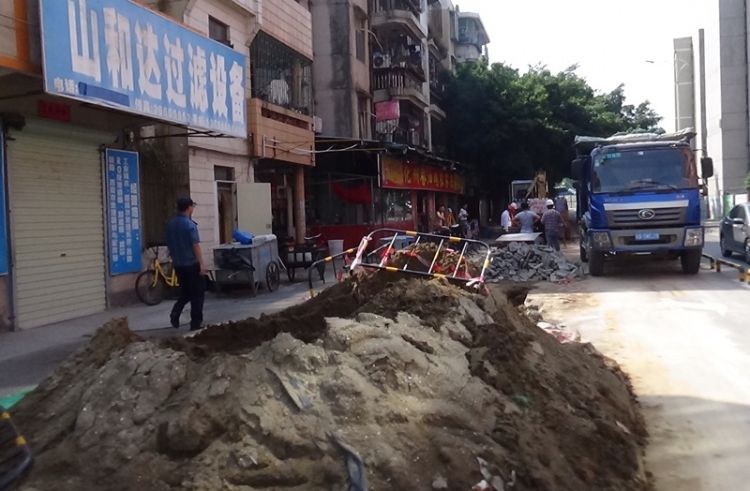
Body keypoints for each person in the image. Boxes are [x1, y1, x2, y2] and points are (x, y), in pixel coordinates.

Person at [166, 197, 206, 330]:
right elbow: (195, 246)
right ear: (189, 208)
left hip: (178, 265)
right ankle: (195, 323)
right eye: (192, 207)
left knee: (186, 292)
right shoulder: (190, 225)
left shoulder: (170, 224)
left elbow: (169, 244)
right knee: (198, 294)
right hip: (192, 264)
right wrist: (202, 263)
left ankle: (176, 311)